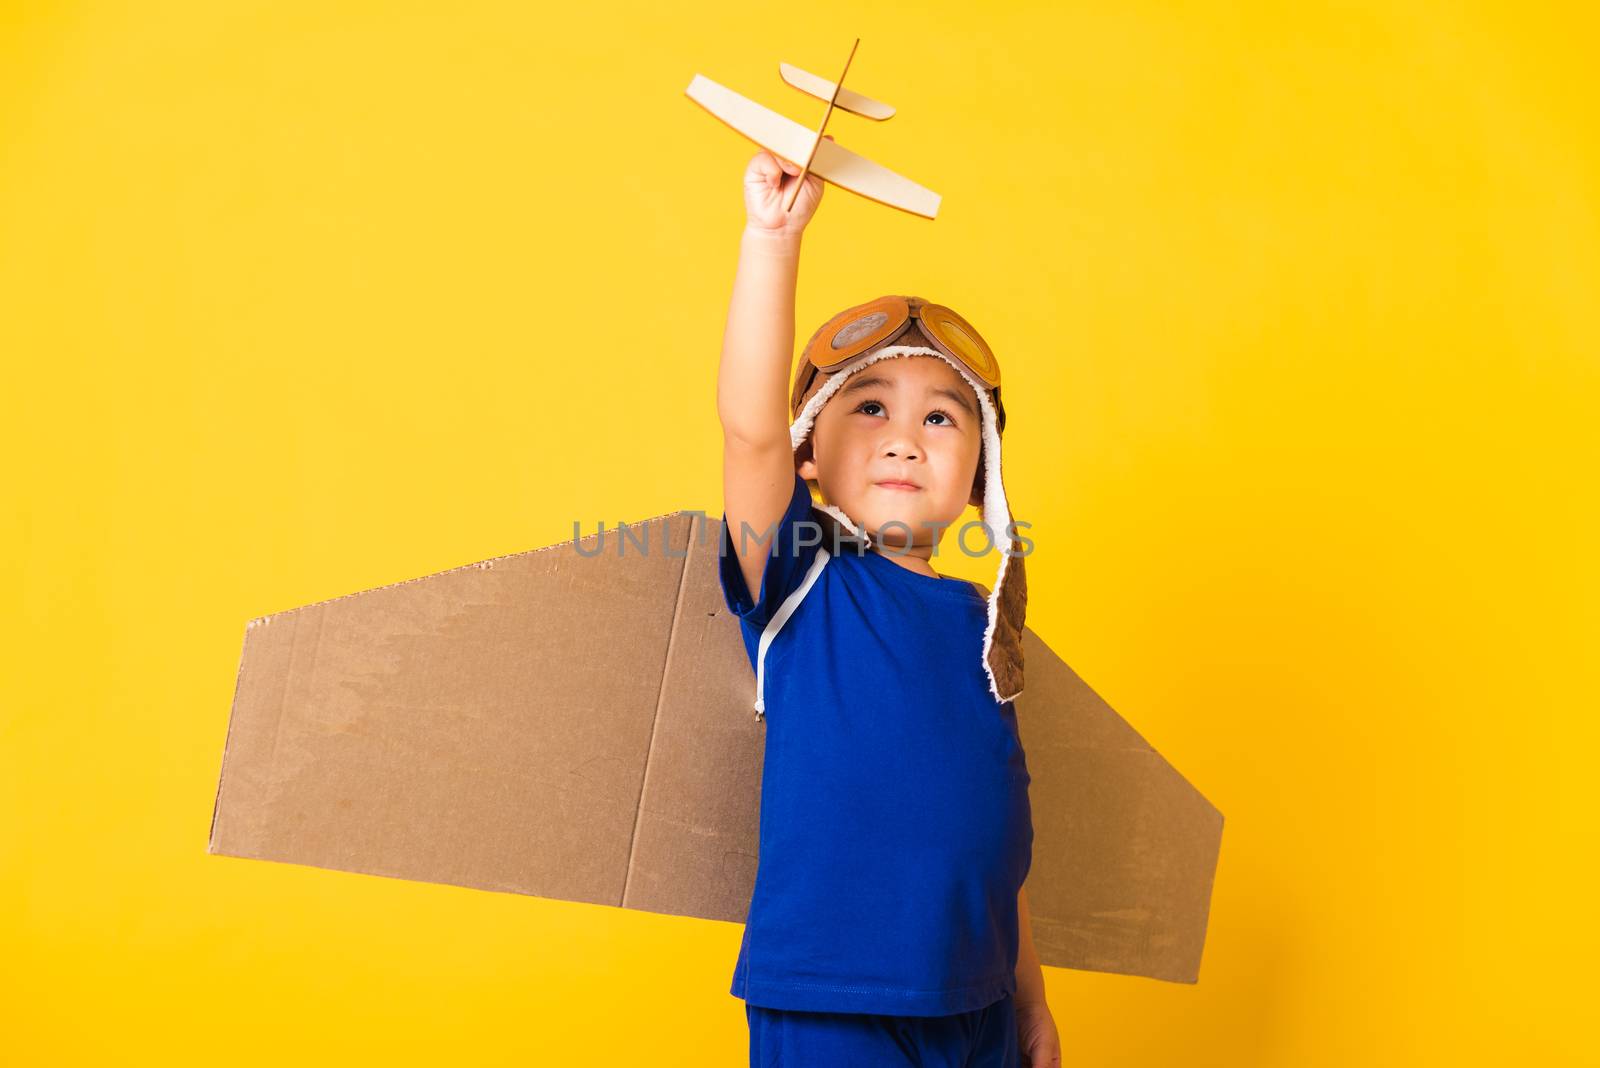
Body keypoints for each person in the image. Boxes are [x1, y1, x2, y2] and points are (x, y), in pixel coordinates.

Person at [716, 142, 1063, 1067]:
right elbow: (748, 430)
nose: (905, 439)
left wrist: (1029, 1001)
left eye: (941, 417)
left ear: (977, 470)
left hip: (980, 1003)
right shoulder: (801, 579)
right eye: (869, 408)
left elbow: (997, 844)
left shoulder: (986, 629)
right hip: (834, 999)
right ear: (807, 456)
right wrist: (771, 239)